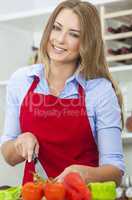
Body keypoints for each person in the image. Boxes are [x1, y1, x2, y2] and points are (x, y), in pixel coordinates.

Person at [0, 0, 125, 185]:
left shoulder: (99, 90)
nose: (59, 39)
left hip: (83, 196)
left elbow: (115, 170)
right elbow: (8, 156)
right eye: (56, 28)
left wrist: (82, 173)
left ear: (86, 43)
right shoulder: (21, 80)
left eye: (73, 34)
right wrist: (21, 142)